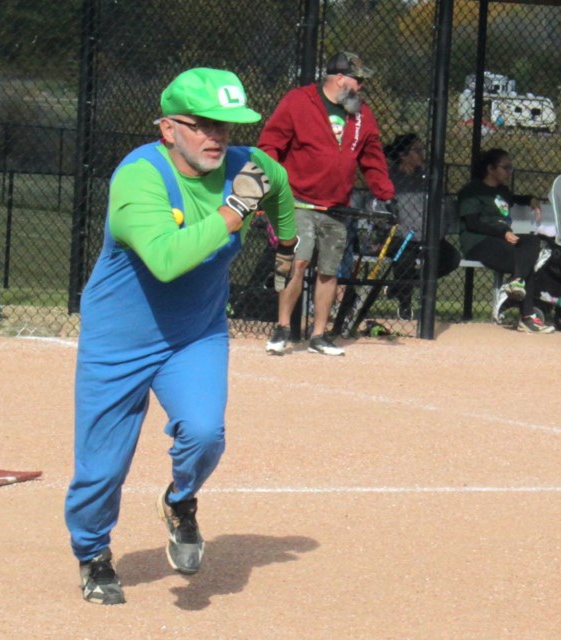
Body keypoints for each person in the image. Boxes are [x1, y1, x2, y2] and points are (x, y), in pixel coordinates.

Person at [64, 68, 298, 605]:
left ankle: (180, 501)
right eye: (202, 125)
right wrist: (236, 210)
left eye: (227, 125)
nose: (217, 136)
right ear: (168, 129)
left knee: (205, 432)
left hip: (194, 334)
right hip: (118, 342)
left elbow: (281, 186)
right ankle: (93, 552)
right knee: (101, 468)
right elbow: (167, 261)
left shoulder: (247, 166)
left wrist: (286, 245)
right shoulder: (139, 177)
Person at [258, 51, 396, 356]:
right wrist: (266, 187)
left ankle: (318, 335)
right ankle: (282, 328)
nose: (362, 86)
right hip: (298, 201)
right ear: (340, 79)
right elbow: (271, 145)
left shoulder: (362, 116)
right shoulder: (298, 101)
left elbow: (372, 159)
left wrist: (386, 195)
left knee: (329, 270)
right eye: (358, 80)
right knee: (299, 260)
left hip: (336, 206)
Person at [457, 148, 554, 333]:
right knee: (528, 262)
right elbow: (472, 224)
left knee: (533, 241)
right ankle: (526, 317)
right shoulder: (472, 191)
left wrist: (531, 200)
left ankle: (516, 281)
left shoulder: (502, 191)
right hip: (479, 242)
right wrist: (502, 234)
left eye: (511, 168)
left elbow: (515, 198)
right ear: (491, 169)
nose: (510, 172)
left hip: (502, 241)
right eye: (506, 167)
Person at [378, 132, 460, 320]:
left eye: (423, 149)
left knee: (451, 258)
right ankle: (405, 305)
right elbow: (379, 208)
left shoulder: (428, 178)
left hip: (426, 237)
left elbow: (442, 208)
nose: (423, 153)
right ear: (403, 155)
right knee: (405, 259)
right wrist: (390, 229)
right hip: (399, 236)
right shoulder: (390, 177)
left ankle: (399, 285)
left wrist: (438, 234)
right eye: (417, 150)